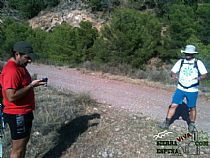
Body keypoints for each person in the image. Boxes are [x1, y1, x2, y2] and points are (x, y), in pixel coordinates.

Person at [1, 41, 47, 158]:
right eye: (27, 57)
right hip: (17, 115)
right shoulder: (11, 70)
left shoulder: (20, 66)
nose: (30, 61)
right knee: (18, 149)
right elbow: (11, 96)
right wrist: (31, 85)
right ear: (17, 54)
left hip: (23, 113)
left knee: (22, 146)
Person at [160, 44, 208, 133]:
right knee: (174, 105)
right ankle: (166, 123)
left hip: (192, 90)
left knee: (192, 107)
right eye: (186, 53)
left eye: (189, 53)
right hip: (180, 88)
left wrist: (199, 78)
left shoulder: (198, 62)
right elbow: (173, 71)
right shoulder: (181, 62)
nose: (187, 55)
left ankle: (192, 124)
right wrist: (173, 75)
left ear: (193, 54)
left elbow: (205, 74)